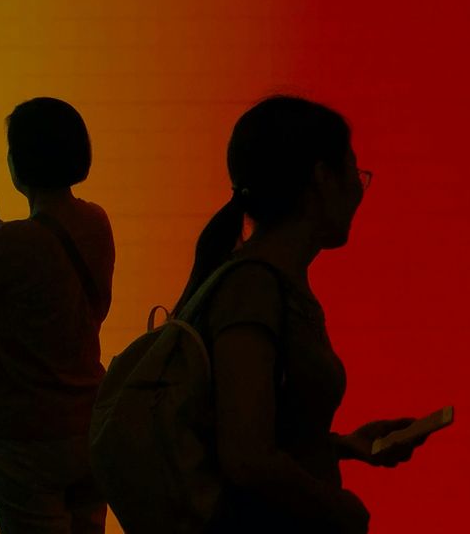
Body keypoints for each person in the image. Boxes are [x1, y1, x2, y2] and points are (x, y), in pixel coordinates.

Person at [172, 95, 425, 533]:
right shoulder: (254, 289)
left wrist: (342, 446)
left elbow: (257, 429)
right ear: (322, 178)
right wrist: (337, 507)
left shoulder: (264, 283)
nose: (359, 192)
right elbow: (247, 457)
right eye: (354, 173)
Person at [0, 97, 114, 534]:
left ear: (20, 161)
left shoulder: (11, 243)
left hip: (24, 437)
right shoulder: (96, 221)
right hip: (87, 422)